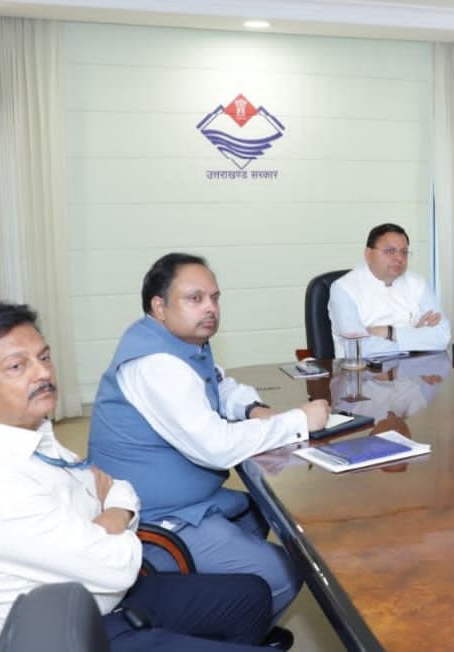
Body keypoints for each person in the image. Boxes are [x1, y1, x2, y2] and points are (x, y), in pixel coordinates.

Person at [0, 302, 281, 651]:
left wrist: (110, 517)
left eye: (44, 357)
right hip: (63, 637)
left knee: (252, 595)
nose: (42, 373)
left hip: (102, 601)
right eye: (17, 366)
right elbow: (117, 566)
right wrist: (113, 516)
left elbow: (118, 488)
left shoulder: (28, 434)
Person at [88, 253, 329, 630]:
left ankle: (225, 610)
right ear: (159, 307)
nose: (210, 308)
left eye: (215, 298)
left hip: (188, 501)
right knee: (284, 571)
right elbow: (216, 446)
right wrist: (298, 421)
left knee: (263, 512)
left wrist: (252, 409)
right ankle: (227, 635)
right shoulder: (156, 365)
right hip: (155, 517)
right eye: (195, 298)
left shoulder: (176, 340)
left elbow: (217, 384)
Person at [328, 223, 451, 357]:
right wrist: (416, 338)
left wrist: (388, 332)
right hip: (364, 369)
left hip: (416, 367)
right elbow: (358, 348)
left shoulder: (418, 283)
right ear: (368, 254)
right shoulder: (343, 289)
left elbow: (443, 337)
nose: (399, 258)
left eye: (404, 252)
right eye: (390, 251)